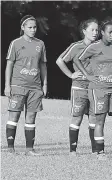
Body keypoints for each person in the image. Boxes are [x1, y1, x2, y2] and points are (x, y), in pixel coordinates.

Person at [74, 19, 112, 160]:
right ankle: (100, 153)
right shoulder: (94, 47)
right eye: (110, 32)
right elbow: (77, 59)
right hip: (98, 89)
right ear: (102, 33)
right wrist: (88, 76)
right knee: (100, 120)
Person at [4, 15, 47, 156]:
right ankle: (10, 148)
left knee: (31, 118)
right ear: (23, 28)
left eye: (34, 27)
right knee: (14, 116)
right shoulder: (15, 43)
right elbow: (9, 65)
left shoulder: (40, 44)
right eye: (30, 27)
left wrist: (44, 84)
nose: (33, 30)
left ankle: (29, 149)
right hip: (18, 85)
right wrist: (7, 85)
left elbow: (43, 65)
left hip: (35, 87)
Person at [56, 18, 99, 156]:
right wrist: (70, 75)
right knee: (77, 117)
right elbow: (59, 60)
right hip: (79, 88)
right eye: (92, 29)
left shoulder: (100, 47)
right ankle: (73, 151)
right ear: (84, 31)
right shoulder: (76, 46)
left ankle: (95, 150)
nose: (95, 32)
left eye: (97, 30)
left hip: (94, 88)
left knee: (94, 118)